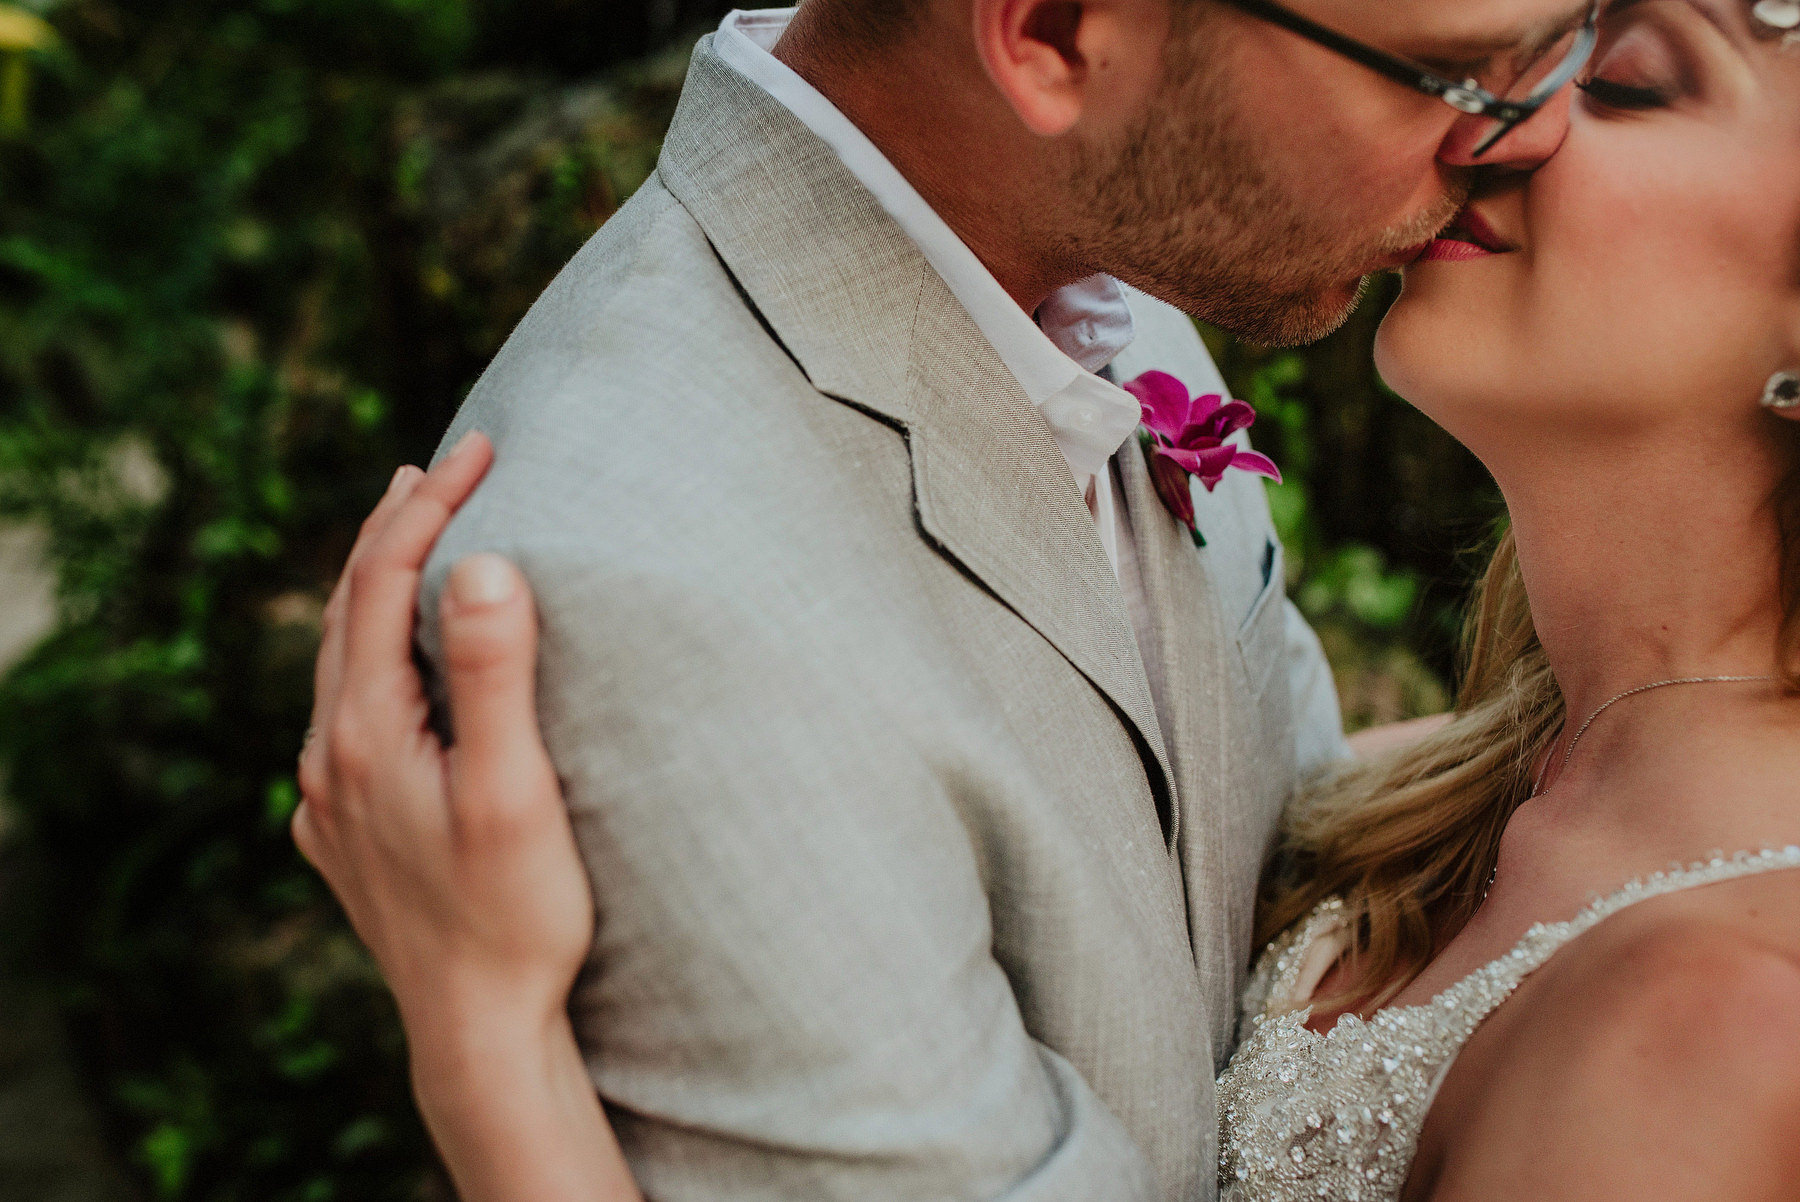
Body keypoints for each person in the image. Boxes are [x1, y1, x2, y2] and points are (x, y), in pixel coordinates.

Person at [286, 0, 1701, 1198]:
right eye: (1456, 70)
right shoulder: (662, 606)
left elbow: (1271, 839)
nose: (1524, 133)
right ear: (1047, 33)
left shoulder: (1106, 248)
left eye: (1570, 40)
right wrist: (488, 1054)